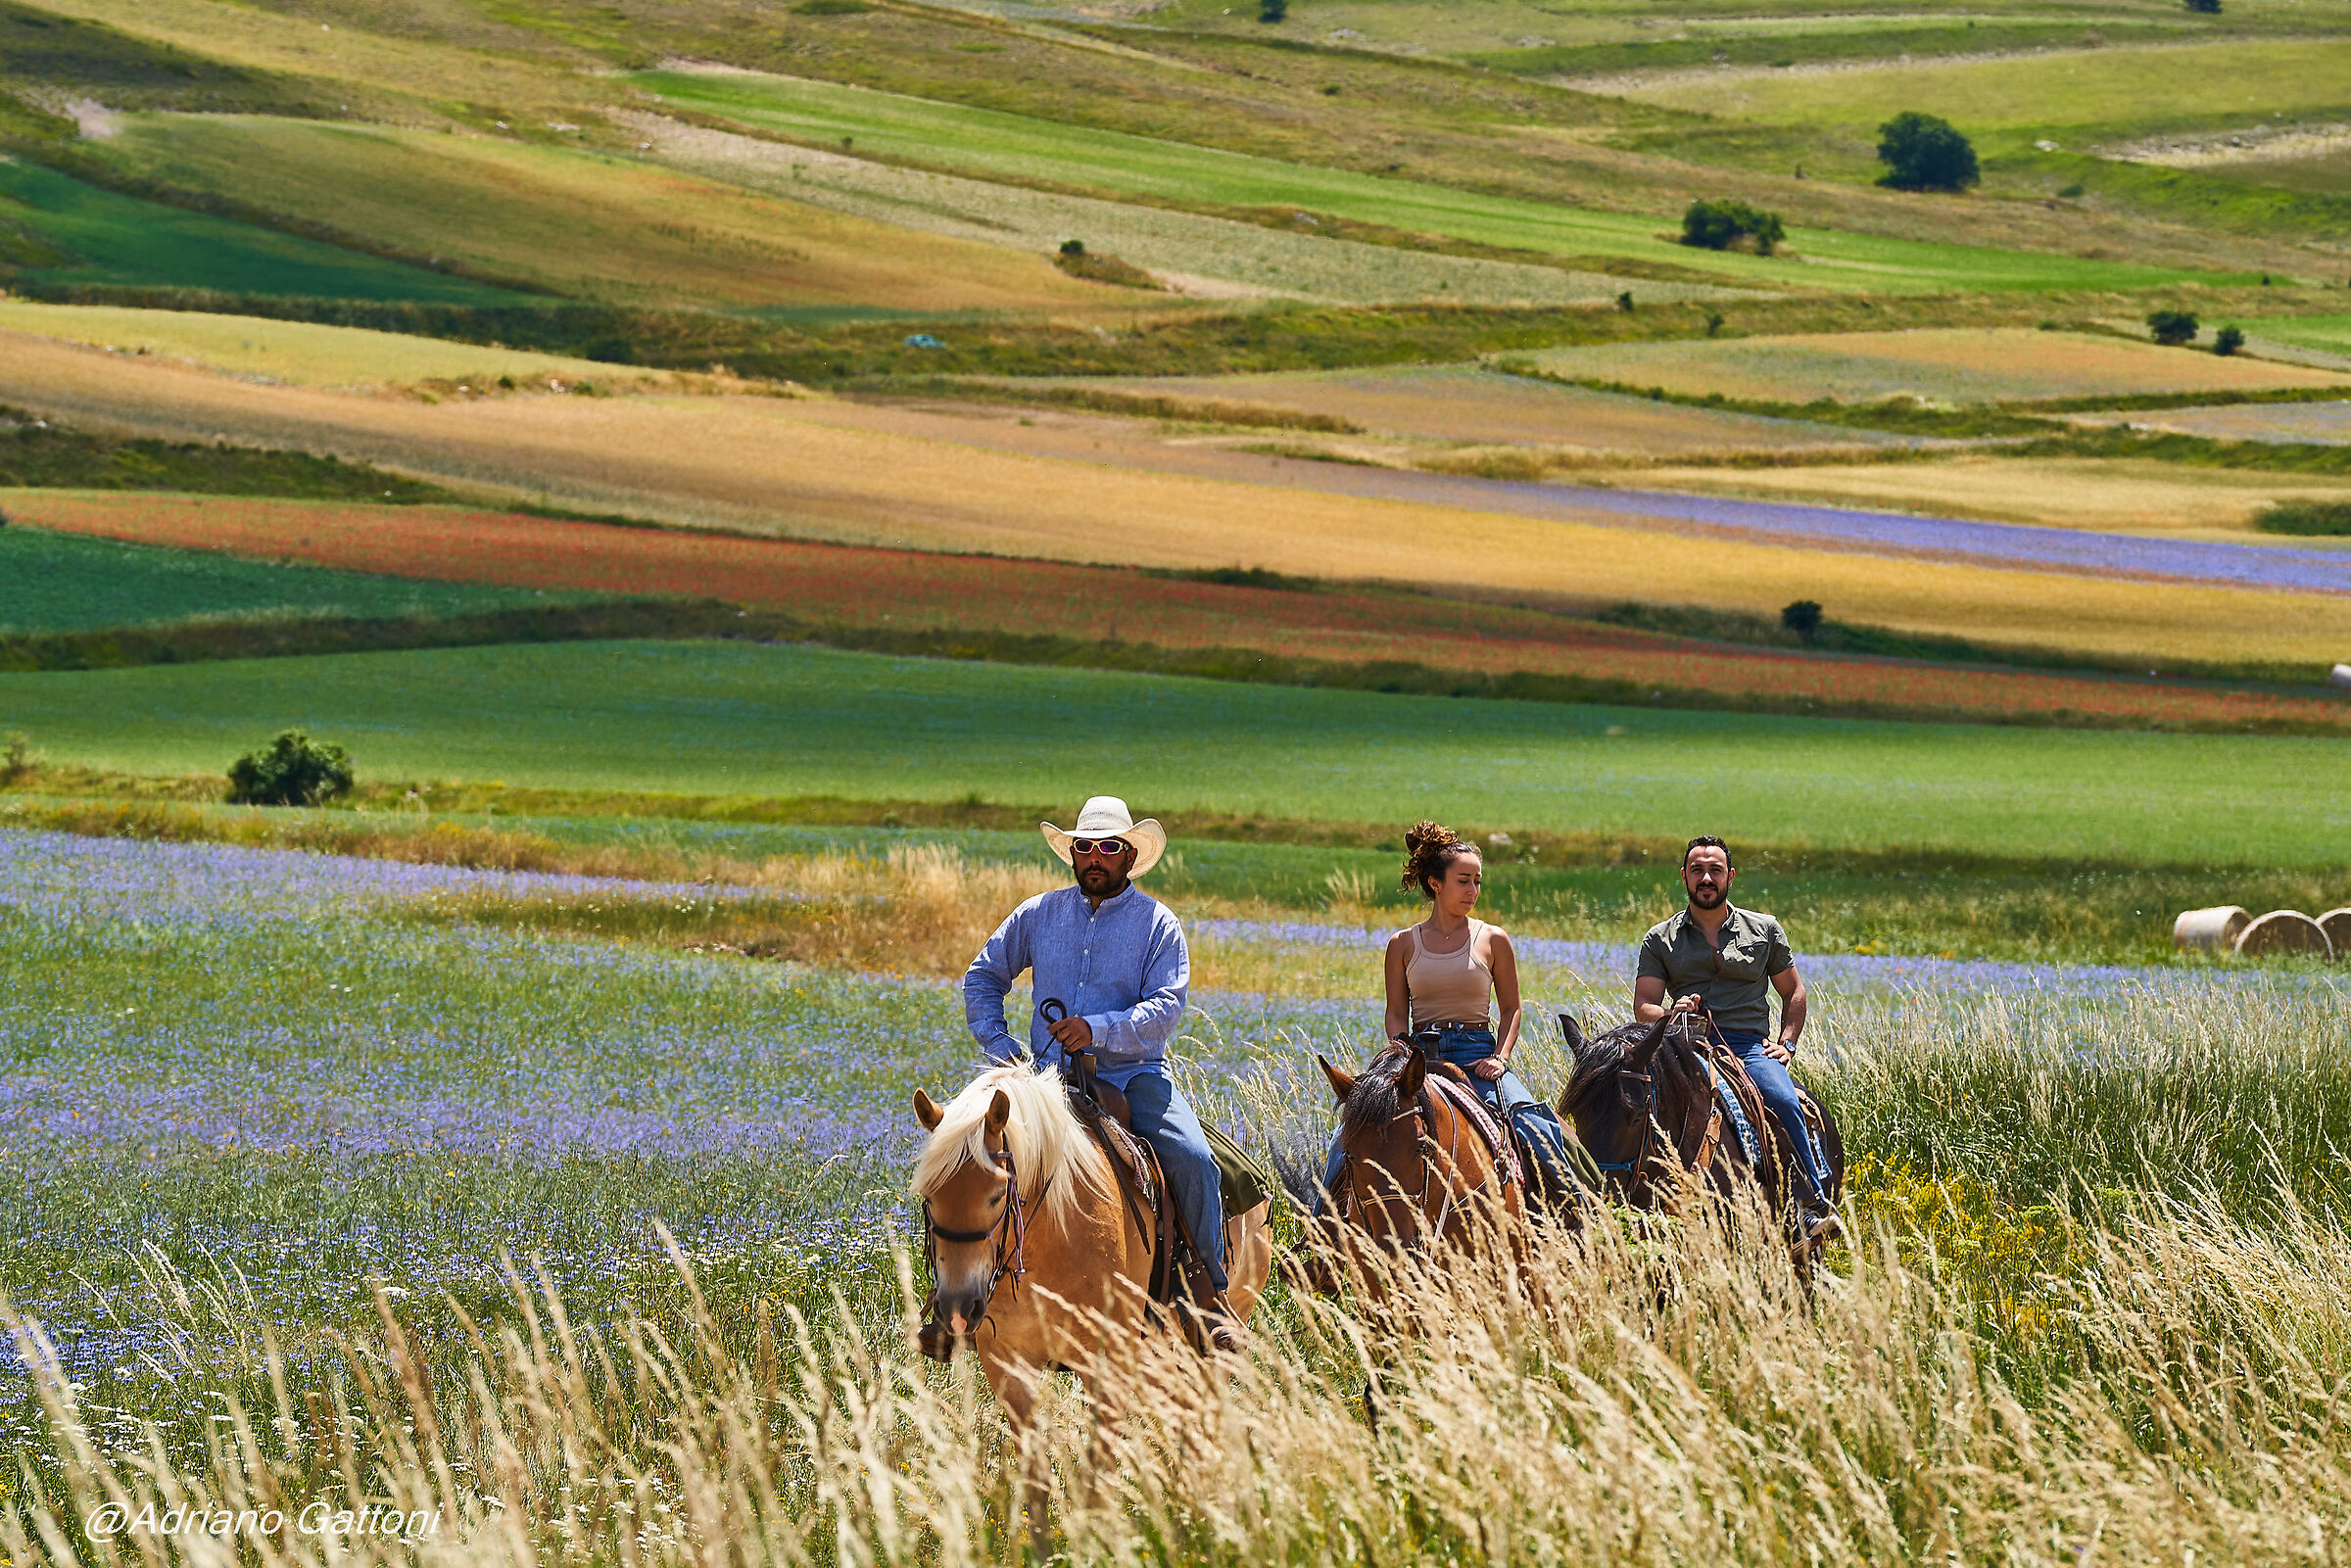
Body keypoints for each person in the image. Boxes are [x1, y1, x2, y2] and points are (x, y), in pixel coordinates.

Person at [963, 794, 1241, 1351]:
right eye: (1085, 848)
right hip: (1044, 1079)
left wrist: (1096, 1029)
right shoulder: (1038, 914)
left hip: (1134, 1075)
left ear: (1130, 855)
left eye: (1108, 848)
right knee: (964, 1153)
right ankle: (958, 1296)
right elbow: (983, 976)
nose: (1095, 858)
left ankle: (1210, 1297)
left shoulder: (1158, 925)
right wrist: (1002, 1048)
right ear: (1072, 854)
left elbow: (1166, 1007)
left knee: (1192, 1159)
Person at [1318, 821, 1581, 1210]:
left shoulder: (1493, 939)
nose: (1473, 891)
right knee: (1349, 1135)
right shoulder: (1402, 944)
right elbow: (1396, 1012)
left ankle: (1577, 1212)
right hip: (1417, 1059)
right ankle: (1318, 1229)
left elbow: (1511, 1009)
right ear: (1435, 883)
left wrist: (1500, 1057)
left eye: (1478, 882)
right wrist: (1400, 1049)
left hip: (1478, 1057)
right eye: (1463, 881)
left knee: (1532, 1122)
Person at [1633, 835, 1840, 1246]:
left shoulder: (1764, 929)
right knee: (1629, 1103)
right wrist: (1673, 1012)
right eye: (1697, 870)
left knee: (1782, 1099)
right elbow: (1643, 1006)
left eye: (1714, 870)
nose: (1706, 878)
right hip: (1685, 1046)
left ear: (1730, 876)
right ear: (1684, 877)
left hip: (1747, 1046)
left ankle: (1811, 1202)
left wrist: (1787, 1043)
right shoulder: (1660, 938)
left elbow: (1793, 991)